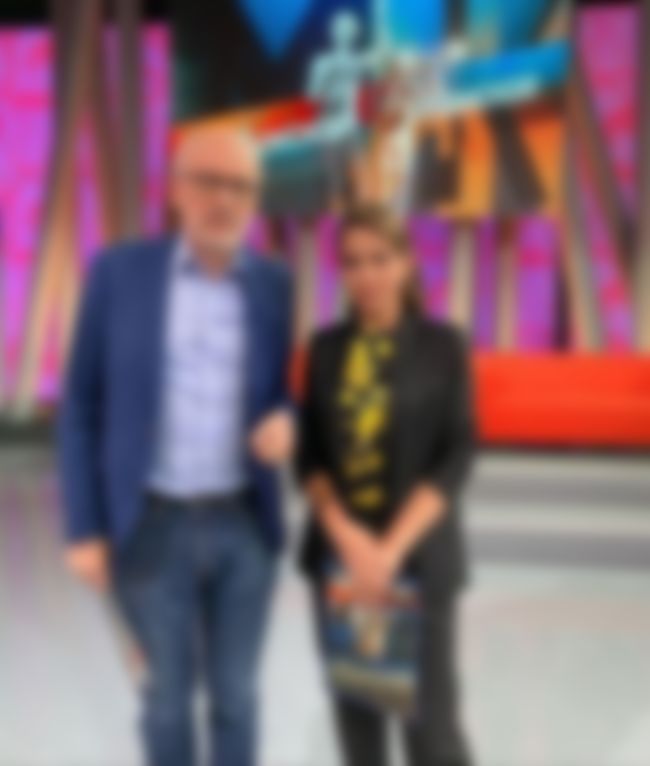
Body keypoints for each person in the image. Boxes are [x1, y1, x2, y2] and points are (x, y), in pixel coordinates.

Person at [58, 126, 294, 766]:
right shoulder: (118, 273)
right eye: (209, 181)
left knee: (237, 697)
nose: (224, 199)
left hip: (244, 526)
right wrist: (83, 528)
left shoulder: (274, 285)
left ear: (255, 199)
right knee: (165, 699)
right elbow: (79, 407)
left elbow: (281, 391)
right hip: (150, 525)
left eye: (240, 186)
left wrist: (287, 419)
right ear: (176, 189)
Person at [297, 204, 474, 766]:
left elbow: (456, 454)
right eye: (353, 262)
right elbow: (309, 457)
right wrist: (350, 541)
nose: (367, 275)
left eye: (380, 259)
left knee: (433, 738)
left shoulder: (444, 346)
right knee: (360, 734)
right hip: (343, 566)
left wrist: (389, 551)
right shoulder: (325, 349)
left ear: (406, 263)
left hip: (416, 560)